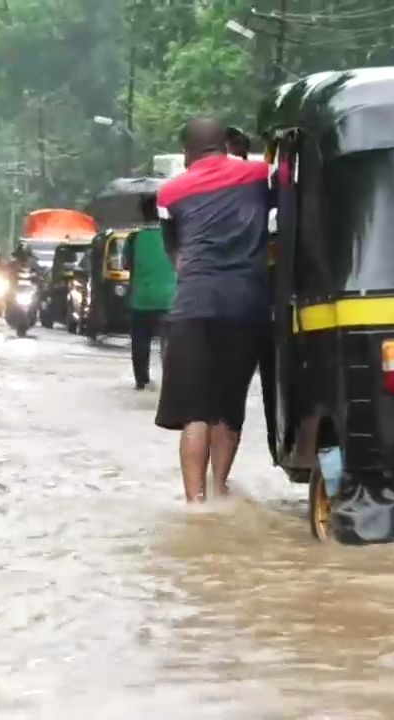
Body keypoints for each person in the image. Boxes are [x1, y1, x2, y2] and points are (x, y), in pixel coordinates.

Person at [155, 117, 272, 503]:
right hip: (246, 306)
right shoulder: (260, 176)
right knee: (228, 407)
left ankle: (195, 503)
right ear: (226, 144)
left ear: (186, 152)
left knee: (195, 412)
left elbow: (175, 253)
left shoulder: (169, 193)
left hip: (193, 307)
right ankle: (220, 488)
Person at [226, 127, 279, 463]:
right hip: (254, 302)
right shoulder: (262, 186)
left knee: (228, 396)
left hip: (252, 303)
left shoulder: (261, 186)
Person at [125, 195, 176, 390]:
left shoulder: (134, 239)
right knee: (169, 345)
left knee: (140, 343)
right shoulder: (174, 237)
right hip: (169, 300)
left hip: (141, 300)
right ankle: (170, 384)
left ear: (143, 214)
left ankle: (141, 381)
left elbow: (127, 265)